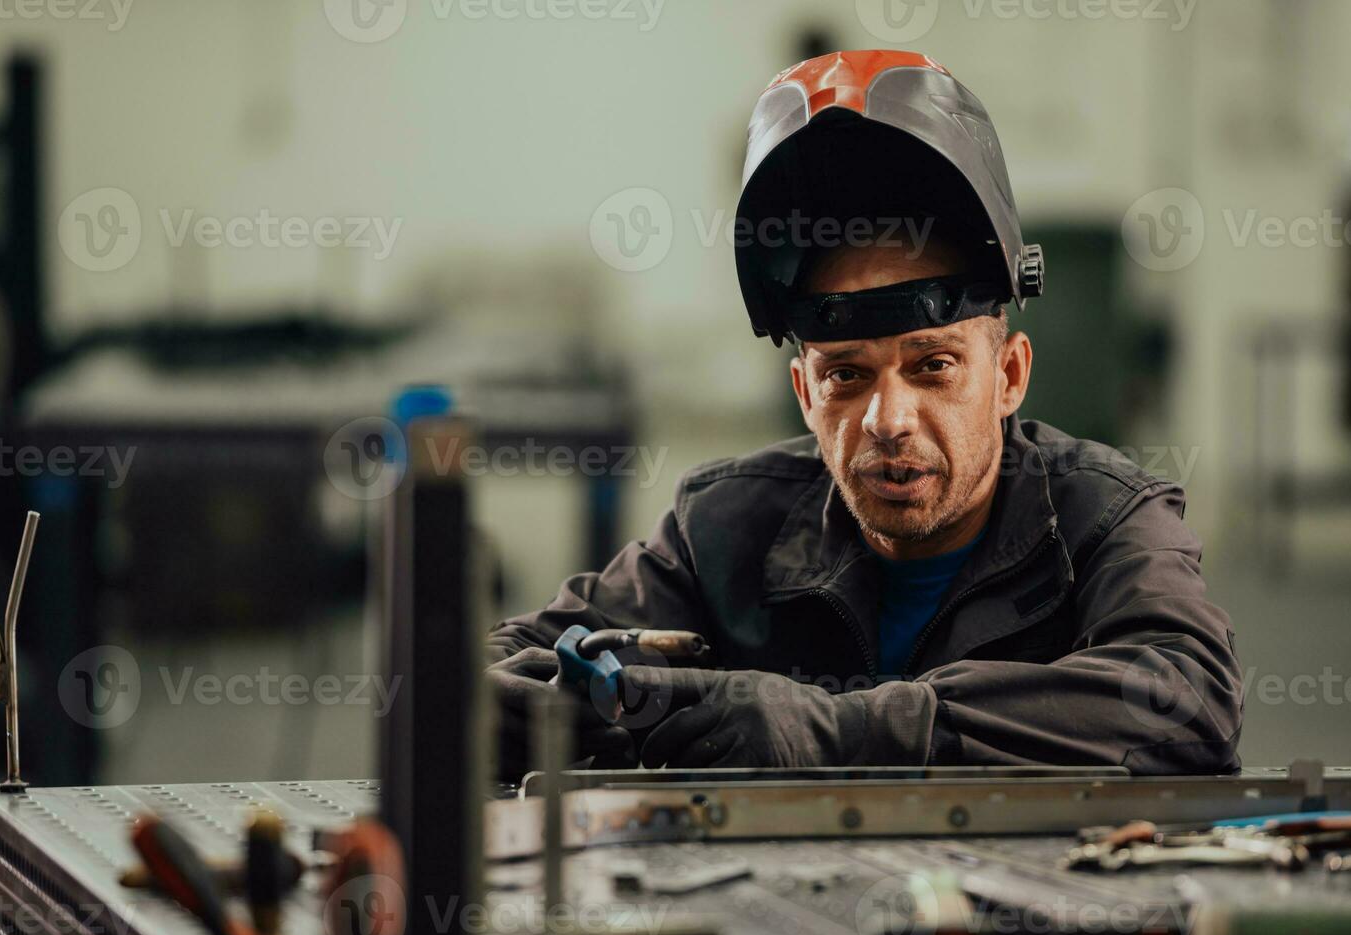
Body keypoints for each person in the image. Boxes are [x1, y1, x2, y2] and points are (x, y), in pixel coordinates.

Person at [487, 50, 1242, 778]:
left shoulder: (1102, 519)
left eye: (932, 366)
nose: (887, 418)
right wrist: (573, 712)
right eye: (845, 374)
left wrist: (841, 730)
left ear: (1008, 376)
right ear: (804, 396)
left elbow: (1187, 699)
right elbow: (485, 672)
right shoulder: (723, 528)